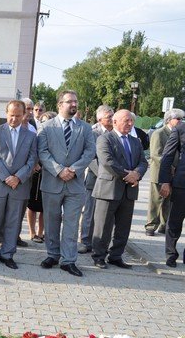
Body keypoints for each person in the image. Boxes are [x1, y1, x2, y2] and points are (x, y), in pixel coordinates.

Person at [38, 90, 96, 277]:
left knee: (71, 224)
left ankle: (68, 260)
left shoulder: (85, 128)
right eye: (70, 101)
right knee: (51, 221)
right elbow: (42, 152)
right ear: (60, 104)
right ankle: (52, 255)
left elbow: (89, 152)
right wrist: (59, 170)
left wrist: (73, 170)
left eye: (75, 101)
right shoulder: (46, 127)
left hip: (75, 184)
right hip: (52, 182)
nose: (74, 104)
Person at [0, 100, 37, 269]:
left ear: (24, 115)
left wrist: (18, 177)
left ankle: (7, 254)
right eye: (11, 115)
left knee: (14, 222)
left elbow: (32, 160)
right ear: (6, 113)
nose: (14, 119)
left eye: (18, 116)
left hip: (19, 185)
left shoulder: (31, 135)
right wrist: (7, 177)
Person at [91, 110, 147, 269]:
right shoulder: (104, 139)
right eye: (126, 120)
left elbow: (143, 162)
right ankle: (99, 256)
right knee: (103, 227)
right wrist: (128, 175)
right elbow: (107, 161)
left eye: (131, 121)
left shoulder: (136, 141)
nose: (130, 124)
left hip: (129, 191)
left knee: (123, 227)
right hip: (109, 189)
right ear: (115, 122)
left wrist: (137, 174)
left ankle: (115, 256)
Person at [78, 105, 113, 254]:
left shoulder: (115, 133)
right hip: (95, 180)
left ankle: (101, 243)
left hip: (112, 182)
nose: (112, 119)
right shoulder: (93, 134)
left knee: (106, 215)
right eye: (108, 117)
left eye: (112, 116)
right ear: (99, 119)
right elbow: (90, 158)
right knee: (90, 213)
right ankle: (86, 241)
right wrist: (104, 175)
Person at [145, 108, 183, 236]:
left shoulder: (179, 133)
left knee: (168, 201)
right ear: (169, 120)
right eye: (178, 119)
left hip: (174, 173)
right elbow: (155, 154)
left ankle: (164, 225)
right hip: (159, 172)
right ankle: (150, 226)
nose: (180, 121)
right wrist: (169, 166)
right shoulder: (159, 133)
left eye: (182, 119)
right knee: (156, 201)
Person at [159, 113, 185, 268]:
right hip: (182, 184)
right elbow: (167, 155)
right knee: (175, 221)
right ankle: (170, 254)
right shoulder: (180, 128)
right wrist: (165, 181)